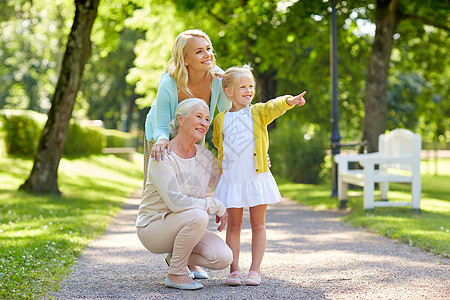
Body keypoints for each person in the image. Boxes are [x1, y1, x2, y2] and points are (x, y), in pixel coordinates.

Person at [143, 29, 231, 278]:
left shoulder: (217, 81)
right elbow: (162, 124)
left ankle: (182, 255)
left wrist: (248, 156)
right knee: (167, 196)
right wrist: (161, 142)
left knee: (193, 190)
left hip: (194, 136)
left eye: (209, 48)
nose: (207, 54)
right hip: (160, 136)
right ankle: (171, 247)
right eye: (199, 51)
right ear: (185, 59)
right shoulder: (169, 82)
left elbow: (224, 123)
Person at [212, 65, 306, 286]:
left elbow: (273, 106)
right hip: (233, 180)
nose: (248, 91)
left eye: (251, 86)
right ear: (228, 91)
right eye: (242, 87)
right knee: (234, 226)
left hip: (256, 178)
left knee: (258, 225)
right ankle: (234, 270)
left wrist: (288, 101)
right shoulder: (220, 119)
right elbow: (219, 143)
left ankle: (254, 270)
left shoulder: (257, 112)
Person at [137, 98, 233, 290]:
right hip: (154, 227)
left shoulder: (204, 155)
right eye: (198, 117)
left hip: (183, 224)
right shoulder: (162, 154)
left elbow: (228, 181)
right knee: (198, 215)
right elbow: (176, 203)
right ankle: (177, 274)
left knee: (223, 257)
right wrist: (215, 205)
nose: (204, 123)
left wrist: (258, 163)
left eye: (207, 119)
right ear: (180, 119)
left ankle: (176, 256)